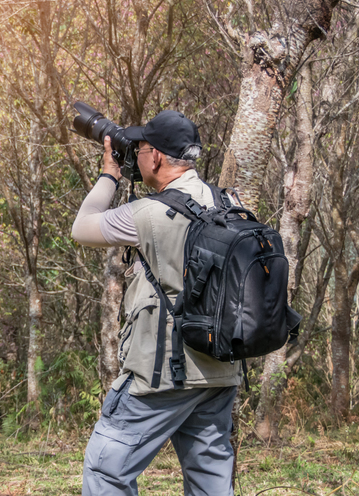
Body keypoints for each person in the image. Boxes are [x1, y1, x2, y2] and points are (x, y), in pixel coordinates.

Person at [71, 110, 242, 496]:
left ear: (157, 157)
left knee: (106, 471)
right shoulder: (229, 201)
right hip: (219, 369)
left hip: (163, 373)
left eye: (141, 147)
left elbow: (81, 226)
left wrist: (109, 175)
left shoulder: (148, 213)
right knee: (210, 482)